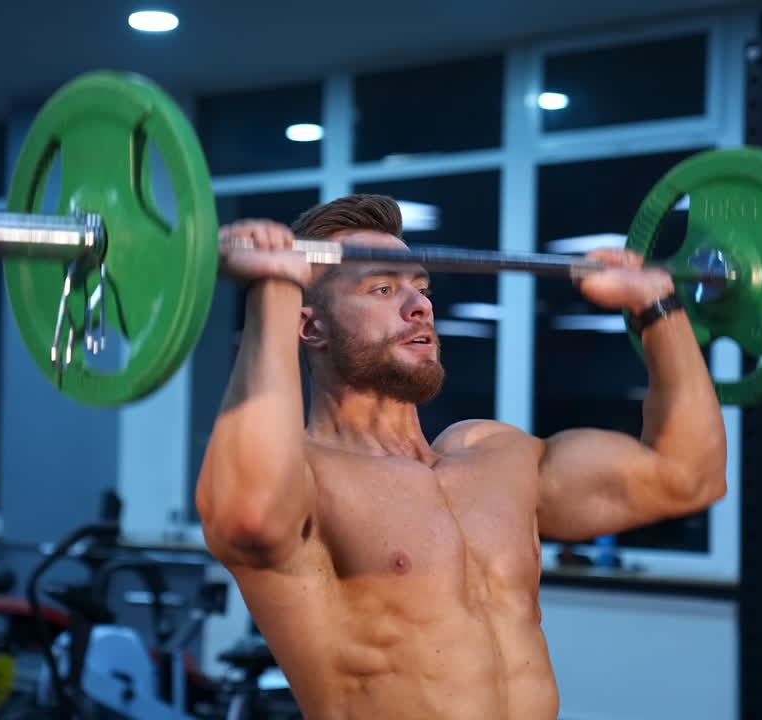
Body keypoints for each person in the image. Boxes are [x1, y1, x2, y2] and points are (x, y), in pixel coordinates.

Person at [195, 194, 726, 720]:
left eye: (421, 289)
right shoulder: (307, 478)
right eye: (382, 288)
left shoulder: (497, 456)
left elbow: (689, 476)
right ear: (310, 327)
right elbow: (251, 517)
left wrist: (657, 305)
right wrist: (274, 290)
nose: (419, 305)